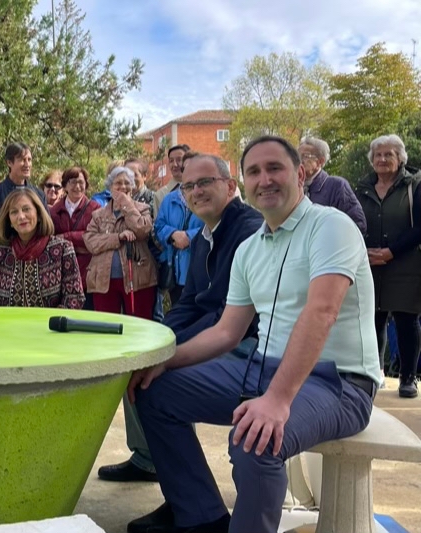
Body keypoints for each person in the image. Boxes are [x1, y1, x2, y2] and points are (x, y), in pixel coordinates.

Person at [129, 136, 380, 533]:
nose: (265, 179)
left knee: (255, 440)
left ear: (300, 174)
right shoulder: (251, 248)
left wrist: (277, 400)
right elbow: (227, 332)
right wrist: (162, 363)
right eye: (254, 172)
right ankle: (202, 517)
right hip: (261, 366)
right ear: (243, 184)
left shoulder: (332, 226)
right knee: (152, 392)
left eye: (275, 168)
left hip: (339, 382)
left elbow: (322, 312)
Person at [99, 155, 262, 499]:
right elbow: (189, 302)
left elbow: (222, 317)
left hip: (247, 348)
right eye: (189, 186)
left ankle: (193, 507)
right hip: (219, 338)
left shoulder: (248, 230)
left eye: (205, 183)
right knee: (137, 364)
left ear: (231, 186)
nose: (196, 191)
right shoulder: (206, 232)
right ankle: (149, 461)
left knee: (153, 385)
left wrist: (167, 353)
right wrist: (155, 341)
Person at [355, 134, 421, 398]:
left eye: (389, 154)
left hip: (405, 263)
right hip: (369, 263)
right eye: (378, 155)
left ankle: (408, 378)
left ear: (400, 158)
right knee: (373, 319)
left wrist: (391, 252)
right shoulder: (361, 187)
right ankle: (375, 374)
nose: (382, 159)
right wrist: (362, 248)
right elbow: (352, 221)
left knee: (406, 320)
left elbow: (420, 228)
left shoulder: (414, 185)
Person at [0, 188, 84, 309]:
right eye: (14, 212)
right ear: (9, 220)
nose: (21, 216)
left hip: (50, 326)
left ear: (39, 214)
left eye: (26, 209)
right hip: (8, 326)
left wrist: (50, 322)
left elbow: (74, 297)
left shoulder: (62, 250)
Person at [84, 166, 156, 320]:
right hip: (104, 281)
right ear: (110, 188)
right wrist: (118, 237)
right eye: (118, 183)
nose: (123, 186)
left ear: (133, 186)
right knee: (106, 326)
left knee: (139, 324)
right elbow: (90, 241)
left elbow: (142, 230)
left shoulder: (143, 209)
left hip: (138, 279)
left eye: (127, 183)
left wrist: (127, 206)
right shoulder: (98, 215)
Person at [154, 149, 204, 305]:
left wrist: (189, 236)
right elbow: (159, 226)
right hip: (176, 272)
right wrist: (173, 234)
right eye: (185, 169)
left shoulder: (208, 196)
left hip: (202, 270)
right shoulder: (170, 199)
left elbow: (218, 224)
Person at [50, 166, 100, 310]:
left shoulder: (95, 209)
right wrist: (78, 241)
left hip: (88, 271)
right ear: (65, 185)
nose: (77, 186)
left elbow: (94, 238)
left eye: (81, 182)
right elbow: (51, 239)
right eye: (72, 182)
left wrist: (66, 237)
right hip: (62, 271)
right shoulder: (54, 211)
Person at [298, 138, 366, 233]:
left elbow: (357, 224)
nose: (299, 161)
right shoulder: (293, 187)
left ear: (320, 162)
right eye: (296, 156)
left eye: (305, 156)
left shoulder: (337, 186)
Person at [0, 142, 46, 242]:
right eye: (22, 160)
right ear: (9, 162)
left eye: (29, 160)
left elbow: (45, 225)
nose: (27, 164)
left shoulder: (38, 194)